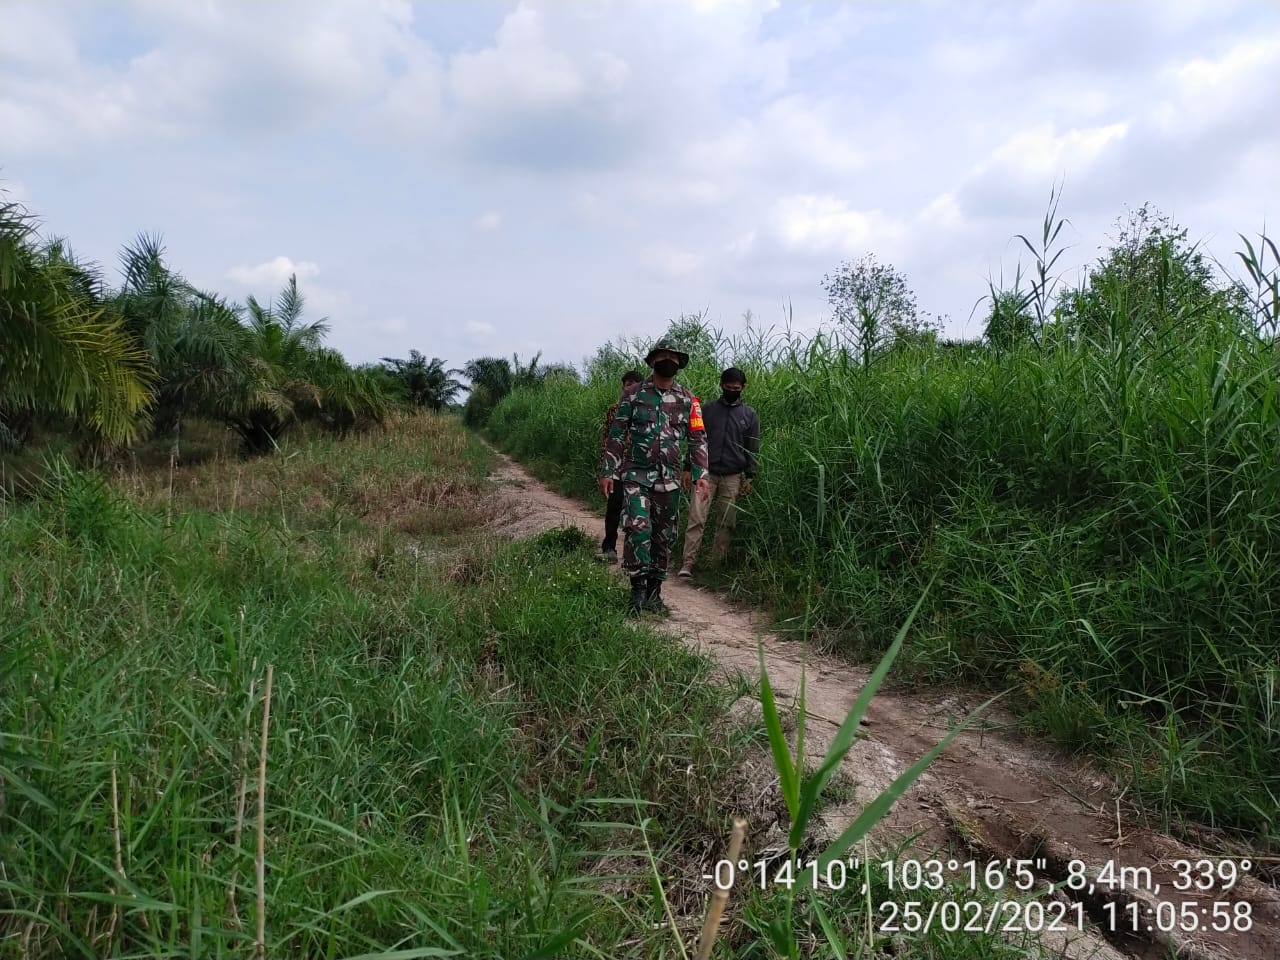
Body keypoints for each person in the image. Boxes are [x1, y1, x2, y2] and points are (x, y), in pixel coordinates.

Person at [600, 336, 709, 616]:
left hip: (669, 481)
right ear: (652, 361)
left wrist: (700, 474)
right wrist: (609, 470)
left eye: (673, 358)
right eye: (663, 357)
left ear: (679, 363)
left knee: (664, 536)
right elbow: (617, 434)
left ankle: (654, 593)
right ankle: (637, 590)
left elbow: (698, 438)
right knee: (638, 529)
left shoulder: (688, 400)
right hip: (637, 476)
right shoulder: (633, 395)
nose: (668, 361)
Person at [678, 366, 760, 577]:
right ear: (721, 385)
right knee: (697, 516)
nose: (732, 390)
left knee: (727, 522)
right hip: (705, 473)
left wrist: (749, 476)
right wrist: (688, 467)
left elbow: (752, 447)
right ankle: (688, 562)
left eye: (736, 388)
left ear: (743, 388)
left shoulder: (749, 415)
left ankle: (715, 565)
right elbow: (696, 440)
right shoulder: (707, 410)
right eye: (728, 387)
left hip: (733, 475)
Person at [596, 370, 644, 563]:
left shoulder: (646, 410)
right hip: (616, 467)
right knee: (614, 508)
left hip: (639, 469)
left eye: (634, 384)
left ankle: (633, 555)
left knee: (636, 513)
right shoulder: (614, 410)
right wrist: (605, 468)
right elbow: (607, 439)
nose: (629, 387)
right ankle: (609, 548)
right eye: (627, 383)